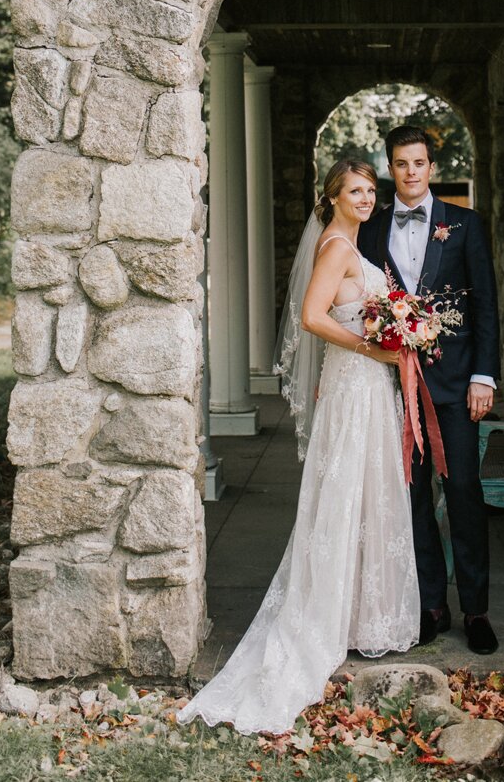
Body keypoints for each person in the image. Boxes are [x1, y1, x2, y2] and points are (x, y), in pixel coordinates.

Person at [177, 157, 419, 735]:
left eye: (370, 190)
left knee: (366, 493)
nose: (365, 198)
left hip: (361, 385)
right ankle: (328, 620)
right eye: (354, 190)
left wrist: (400, 333)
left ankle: (359, 617)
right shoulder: (337, 246)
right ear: (332, 197)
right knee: (346, 495)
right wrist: (376, 349)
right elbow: (313, 317)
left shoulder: (351, 244)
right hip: (356, 380)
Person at [359, 123, 501, 656]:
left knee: (463, 493)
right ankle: (430, 605)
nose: (411, 172)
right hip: (393, 386)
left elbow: (485, 302)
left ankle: (477, 610)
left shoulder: (464, 225)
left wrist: (483, 376)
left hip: (455, 385)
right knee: (411, 497)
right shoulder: (370, 229)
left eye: (419, 163)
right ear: (390, 168)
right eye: (400, 164)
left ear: (432, 168)